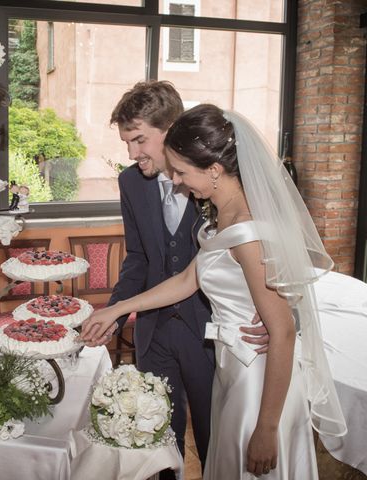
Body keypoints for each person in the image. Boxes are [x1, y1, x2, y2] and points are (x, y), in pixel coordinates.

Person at [82, 104, 347, 478]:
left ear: (214, 170)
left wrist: (267, 430)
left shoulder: (248, 231)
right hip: (233, 373)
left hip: (257, 380)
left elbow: (283, 331)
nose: (176, 181)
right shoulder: (221, 216)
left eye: (183, 172)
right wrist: (116, 309)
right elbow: (188, 279)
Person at [96, 81, 267, 477]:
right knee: (157, 441)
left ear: (172, 129)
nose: (132, 154)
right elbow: (137, 259)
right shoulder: (130, 183)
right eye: (126, 143)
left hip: (209, 333)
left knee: (216, 440)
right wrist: (115, 316)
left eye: (140, 140)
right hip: (153, 334)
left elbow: (266, 253)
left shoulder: (218, 182)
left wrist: (273, 311)